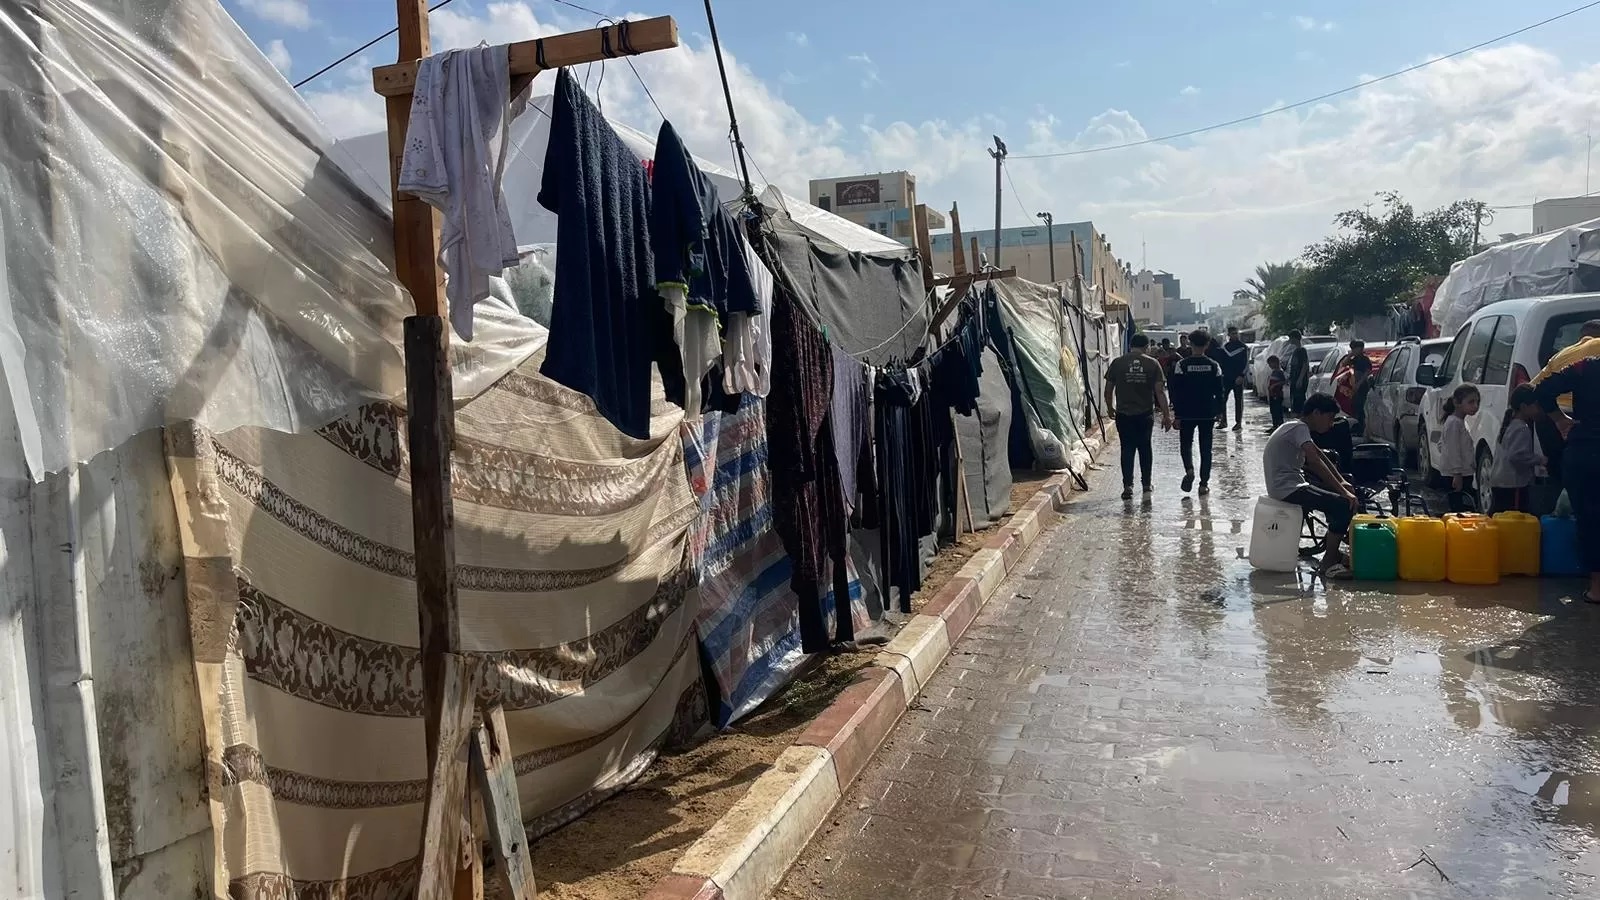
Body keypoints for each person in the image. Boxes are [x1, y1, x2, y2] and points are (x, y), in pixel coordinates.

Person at [1263, 393, 1359, 578]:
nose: (1331, 424)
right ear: (1316, 413)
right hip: (1288, 487)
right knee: (1342, 505)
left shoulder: (1295, 427)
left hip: (1287, 484)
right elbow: (1315, 462)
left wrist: (1341, 482)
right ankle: (1329, 561)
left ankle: (1333, 550)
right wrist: (1344, 493)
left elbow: (1319, 455)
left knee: (1338, 498)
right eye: (1330, 418)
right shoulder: (1299, 428)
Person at [1534, 353, 1600, 603]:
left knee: (1590, 518)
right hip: (1585, 452)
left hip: (1585, 452)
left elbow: (1541, 389)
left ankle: (1597, 588)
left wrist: (1561, 421)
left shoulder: (1586, 367)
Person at [1105, 334, 1172, 501]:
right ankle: (1146, 484)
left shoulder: (1118, 363)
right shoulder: (1152, 363)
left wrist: (1109, 407)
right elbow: (1159, 392)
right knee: (1145, 448)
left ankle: (1128, 485)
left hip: (1124, 413)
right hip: (1144, 414)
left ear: (1130, 345)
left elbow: (1108, 390)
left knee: (1127, 448)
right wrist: (1166, 415)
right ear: (1146, 347)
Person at [1170, 330, 1226, 494]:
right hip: (1207, 413)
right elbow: (1220, 391)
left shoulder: (1182, 365)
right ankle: (1204, 484)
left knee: (1186, 444)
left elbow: (1176, 390)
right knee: (1206, 448)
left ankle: (1189, 470)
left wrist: (1177, 414)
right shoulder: (1214, 365)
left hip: (1186, 412)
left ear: (1190, 344)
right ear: (1207, 345)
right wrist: (1220, 411)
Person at [1488, 384, 1546, 514]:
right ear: (1524, 407)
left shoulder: (1510, 424)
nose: (1538, 409)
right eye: (1535, 405)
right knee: (1514, 518)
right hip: (1514, 484)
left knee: (1500, 515)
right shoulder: (1522, 428)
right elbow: (1517, 456)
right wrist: (1539, 460)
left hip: (1500, 480)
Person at [1437, 384, 1481, 513]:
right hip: (1456, 474)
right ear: (1457, 403)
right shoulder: (1454, 423)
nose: (1475, 406)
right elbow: (1453, 449)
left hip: (1462, 472)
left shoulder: (1459, 421)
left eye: (1477, 402)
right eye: (1471, 402)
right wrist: (1457, 473)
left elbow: (1443, 445)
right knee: (1458, 510)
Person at [1210, 325, 1251, 431]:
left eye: (1236, 333)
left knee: (1238, 401)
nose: (1235, 335)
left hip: (1238, 378)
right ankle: (1223, 421)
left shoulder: (1243, 347)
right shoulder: (1225, 347)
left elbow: (1246, 363)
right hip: (1226, 377)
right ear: (1229, 335)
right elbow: (1221, 362)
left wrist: (1242, 375)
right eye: (1233, 334)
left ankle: (1238, 423)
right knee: (1223, 399)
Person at [1336, 354, 1374, 435]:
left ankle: (1362, 428)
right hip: (1353, 386)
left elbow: (1368, 371)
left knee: (1361, 407)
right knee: (1355, 406)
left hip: (1362, 387)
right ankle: (1358, 426)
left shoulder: (1364, 359)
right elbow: (1343, 365)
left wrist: (1359, 383)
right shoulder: (1354, 359)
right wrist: (1350, 355)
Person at [1286, 330, 1311, 412]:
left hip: (1299, 380)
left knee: (1299, 401)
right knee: (1294, 401)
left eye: (1291, 338)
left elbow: (1305, 364)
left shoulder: (1302, 350)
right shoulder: (1295, 351)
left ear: (1295, 338)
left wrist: (1300, 379)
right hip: (1294, 379)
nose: (1290, 340)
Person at [1266, 355, 1288, 427]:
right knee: (1273, 411)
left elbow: (1284, 381)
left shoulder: (1279, 372)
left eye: (1270, 364)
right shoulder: (1274, 372)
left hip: (1277, 394)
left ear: (1275, 363)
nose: (1269, 366)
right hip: (1272, 394)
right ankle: (1274, 425)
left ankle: (1279, 424)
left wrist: (1274, 385)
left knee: (1277, 410)